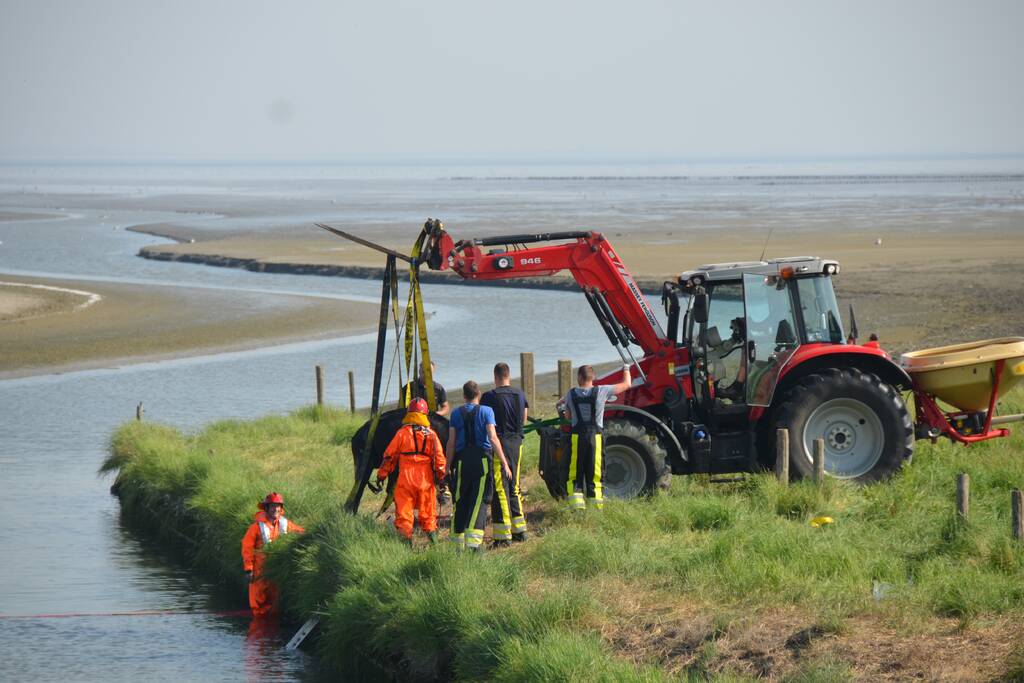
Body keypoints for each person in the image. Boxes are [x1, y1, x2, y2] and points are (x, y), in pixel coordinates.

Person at [447, 381, 512, 552]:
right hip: (482, 460)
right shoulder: (486, 411)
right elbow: (493, 437)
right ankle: (474, 547)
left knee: (460, 500)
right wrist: (504, 463)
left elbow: (451, 443)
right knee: (479, 500)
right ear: (479, 395)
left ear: (464, 396)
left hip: (461, 461)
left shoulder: (455, 413)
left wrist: (447, 466)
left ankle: (457, 545)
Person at [560, 364, 634, 510]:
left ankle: (577, 507)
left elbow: (568, 417)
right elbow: (627, 384)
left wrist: (563, 407)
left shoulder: (570, 394)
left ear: (579, 378)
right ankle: (596, 508)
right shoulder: (602, 391)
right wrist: (626, 368)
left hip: (577, 438)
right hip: (596, 438)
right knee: (596, 472)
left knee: (574, 472)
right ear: (593, 377)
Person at [376, 398, 447, 545]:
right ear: (425, 414)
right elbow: (440, 460)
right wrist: (441, 479)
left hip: (405, 481)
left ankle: (407, 549)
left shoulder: (402, 433)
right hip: (425, 481)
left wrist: (382, 475)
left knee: (404, 517)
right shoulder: (432, 435)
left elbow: (389, 456)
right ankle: (435, 547)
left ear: (409, 414)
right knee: (428, 516)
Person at [480, 362, 529, 544]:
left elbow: (485, 422)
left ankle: (503, 536)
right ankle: (520, 530)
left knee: (500, 488)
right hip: (517, 442)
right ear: (509, 375)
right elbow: (524, 418)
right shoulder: (520, 394)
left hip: (499, 443)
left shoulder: (489, 397)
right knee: (514, 486)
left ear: (495, 376)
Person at [241, 492, 305, 617]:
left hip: (277, 571)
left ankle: (271, 627)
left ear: (281, 508)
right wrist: (248, 569)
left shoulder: (285, 524)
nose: (276, 509)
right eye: (273, 506)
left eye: (278, 506)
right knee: (258, 607)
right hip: (259, 572)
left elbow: (301, 532)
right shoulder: (255, 527)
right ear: (266, 508)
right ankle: (259, 629)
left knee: (275, 606)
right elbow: (247, 548)